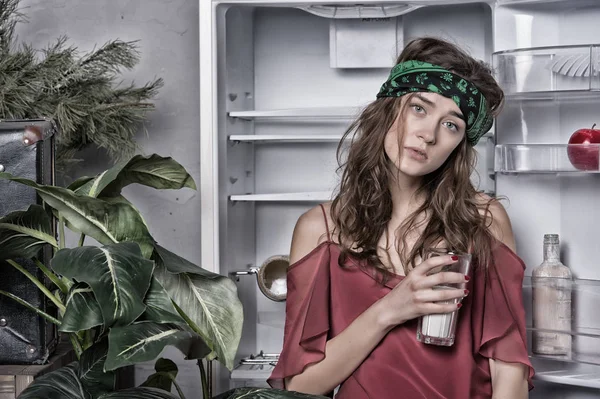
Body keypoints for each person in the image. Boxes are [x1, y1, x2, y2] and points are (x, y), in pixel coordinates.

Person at [267, 37, 534, 398]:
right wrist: (392, 308)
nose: (429, 134)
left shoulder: (483, 220)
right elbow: (299, 385)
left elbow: (510, 372)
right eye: (419, 109)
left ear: (459, 146)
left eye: (451, 125)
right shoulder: (320, 230)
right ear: (390, 108)